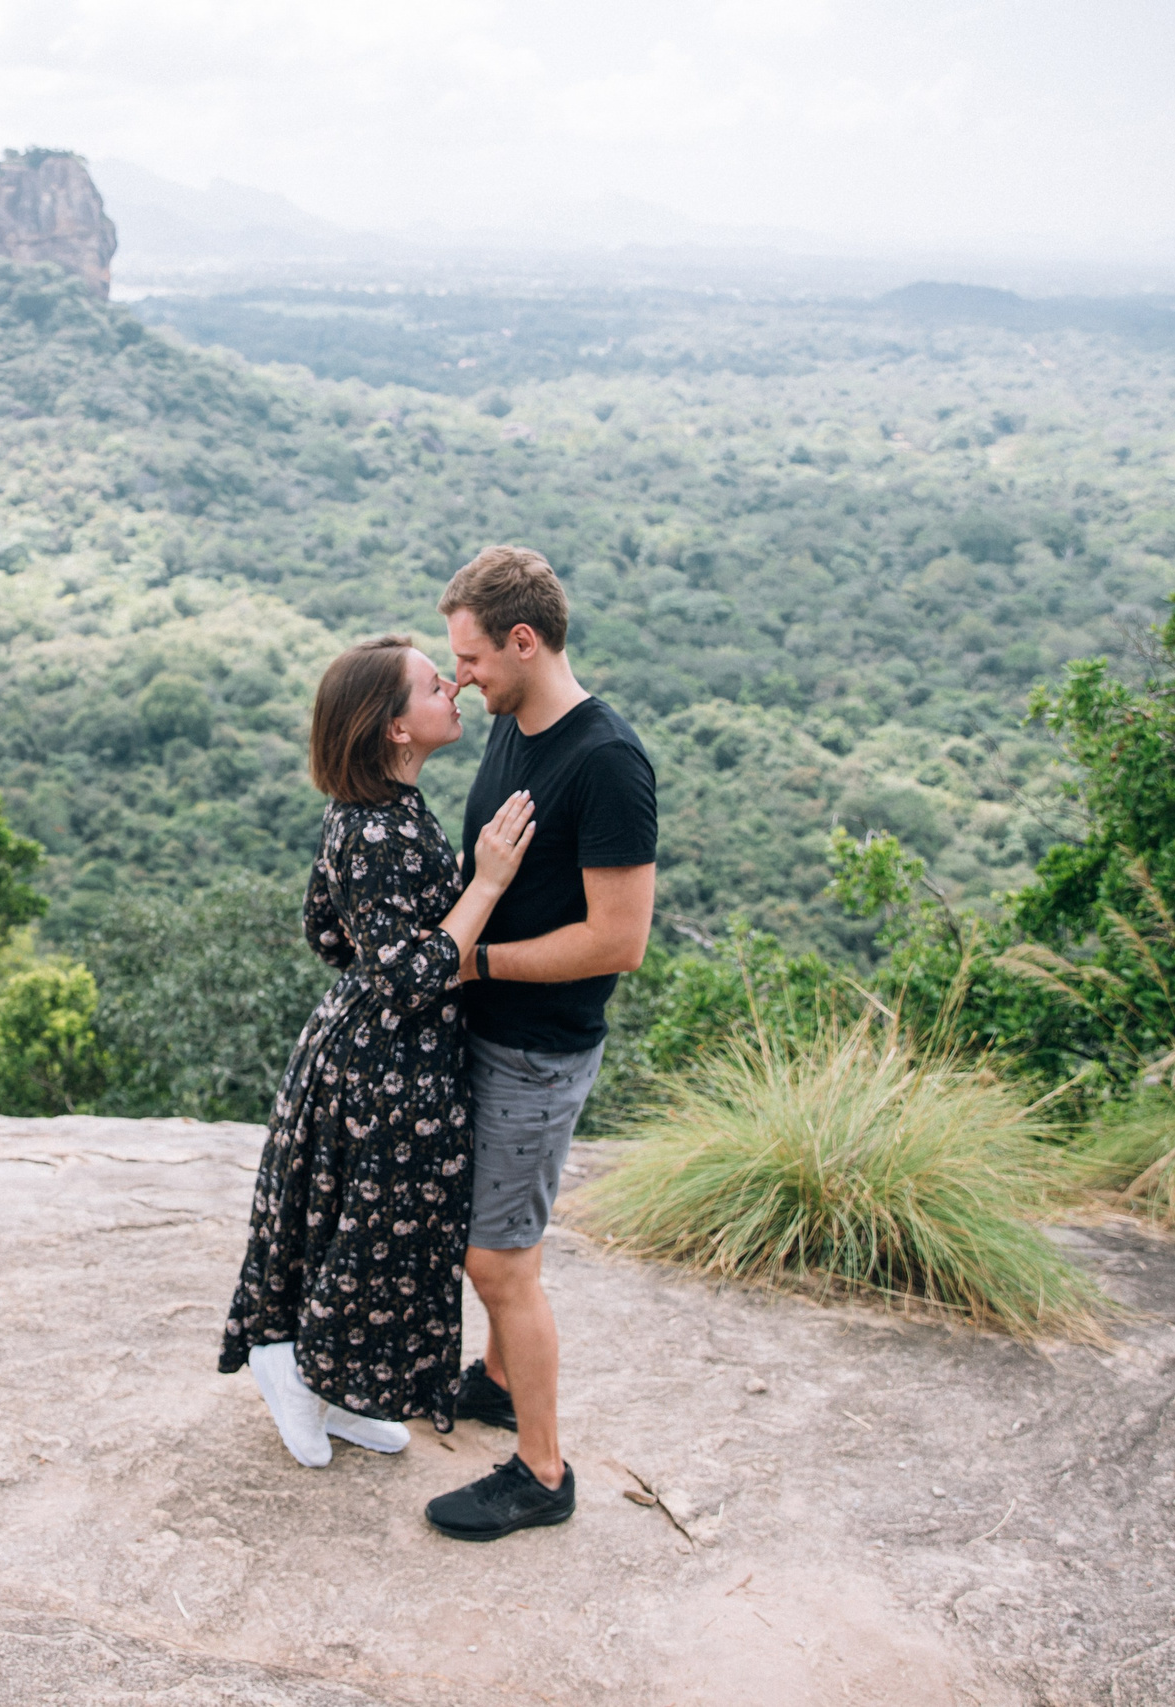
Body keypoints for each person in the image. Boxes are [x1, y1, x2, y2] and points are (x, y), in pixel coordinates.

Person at [219, 634, 539, 1465]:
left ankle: (333, 1385)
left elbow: (326, 929)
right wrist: (487, 885)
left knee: (368, 1233)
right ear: (396, 728)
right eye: (435, 685)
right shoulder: (377, 831)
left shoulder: (378, 811)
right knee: (370, 1236)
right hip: (385, 1065)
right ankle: (290, 1367)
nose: (453, 687)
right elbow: (409, 977)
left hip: (365, 1049)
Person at [422, 545, 657, 1543]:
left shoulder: (604, 763)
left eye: (470, 658)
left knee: (500, 1262)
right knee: (486, 1246)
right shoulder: (513, 724)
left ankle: (542, 1471)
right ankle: (497, 1381)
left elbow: (618, 940)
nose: (458, 676)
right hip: (486, 1033)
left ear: (524, 641)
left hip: (537, 1048)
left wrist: (473, 968)